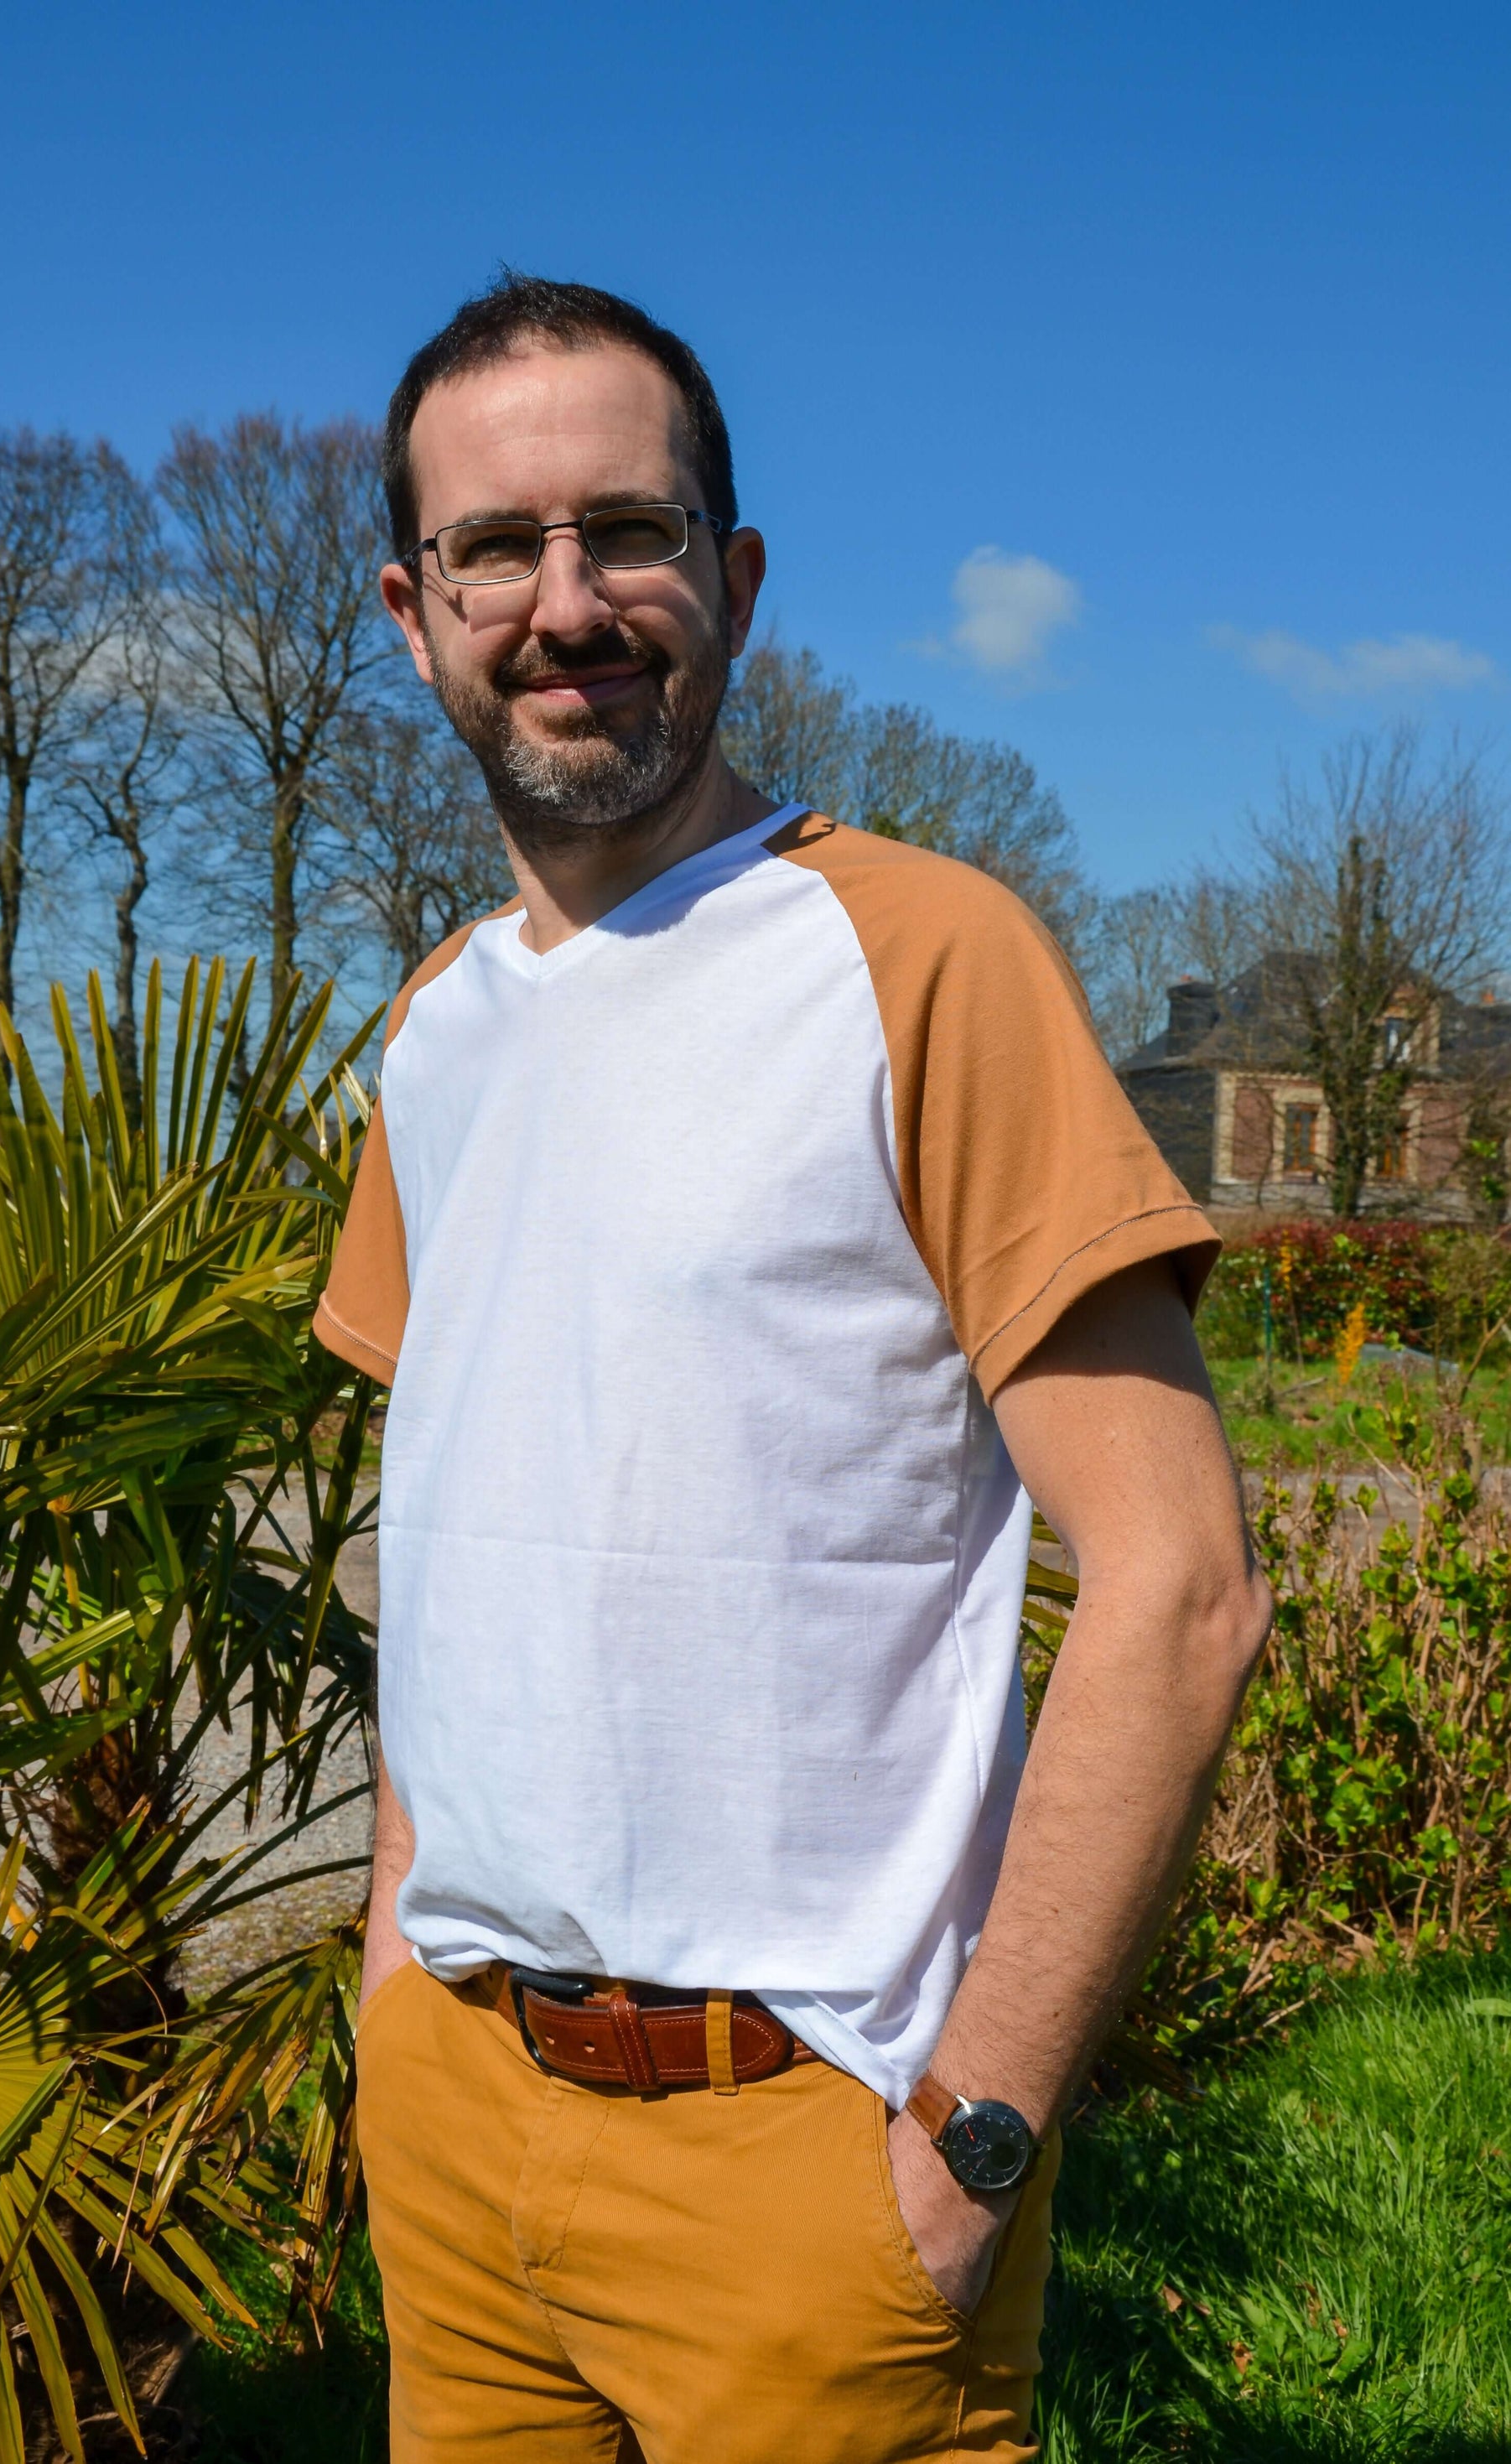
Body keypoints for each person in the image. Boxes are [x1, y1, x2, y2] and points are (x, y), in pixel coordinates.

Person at [314, 272, 1271, 2464]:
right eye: (495, 547)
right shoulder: (435, 1029)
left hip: (810, 2141)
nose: (566, 603)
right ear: (410, 605)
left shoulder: (922, 954)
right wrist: (391, 2000)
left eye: (625, 533)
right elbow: (458, 1544)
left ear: (730, 578)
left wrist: (976, 2134)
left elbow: (1182, 1585)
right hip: (457, 2126)